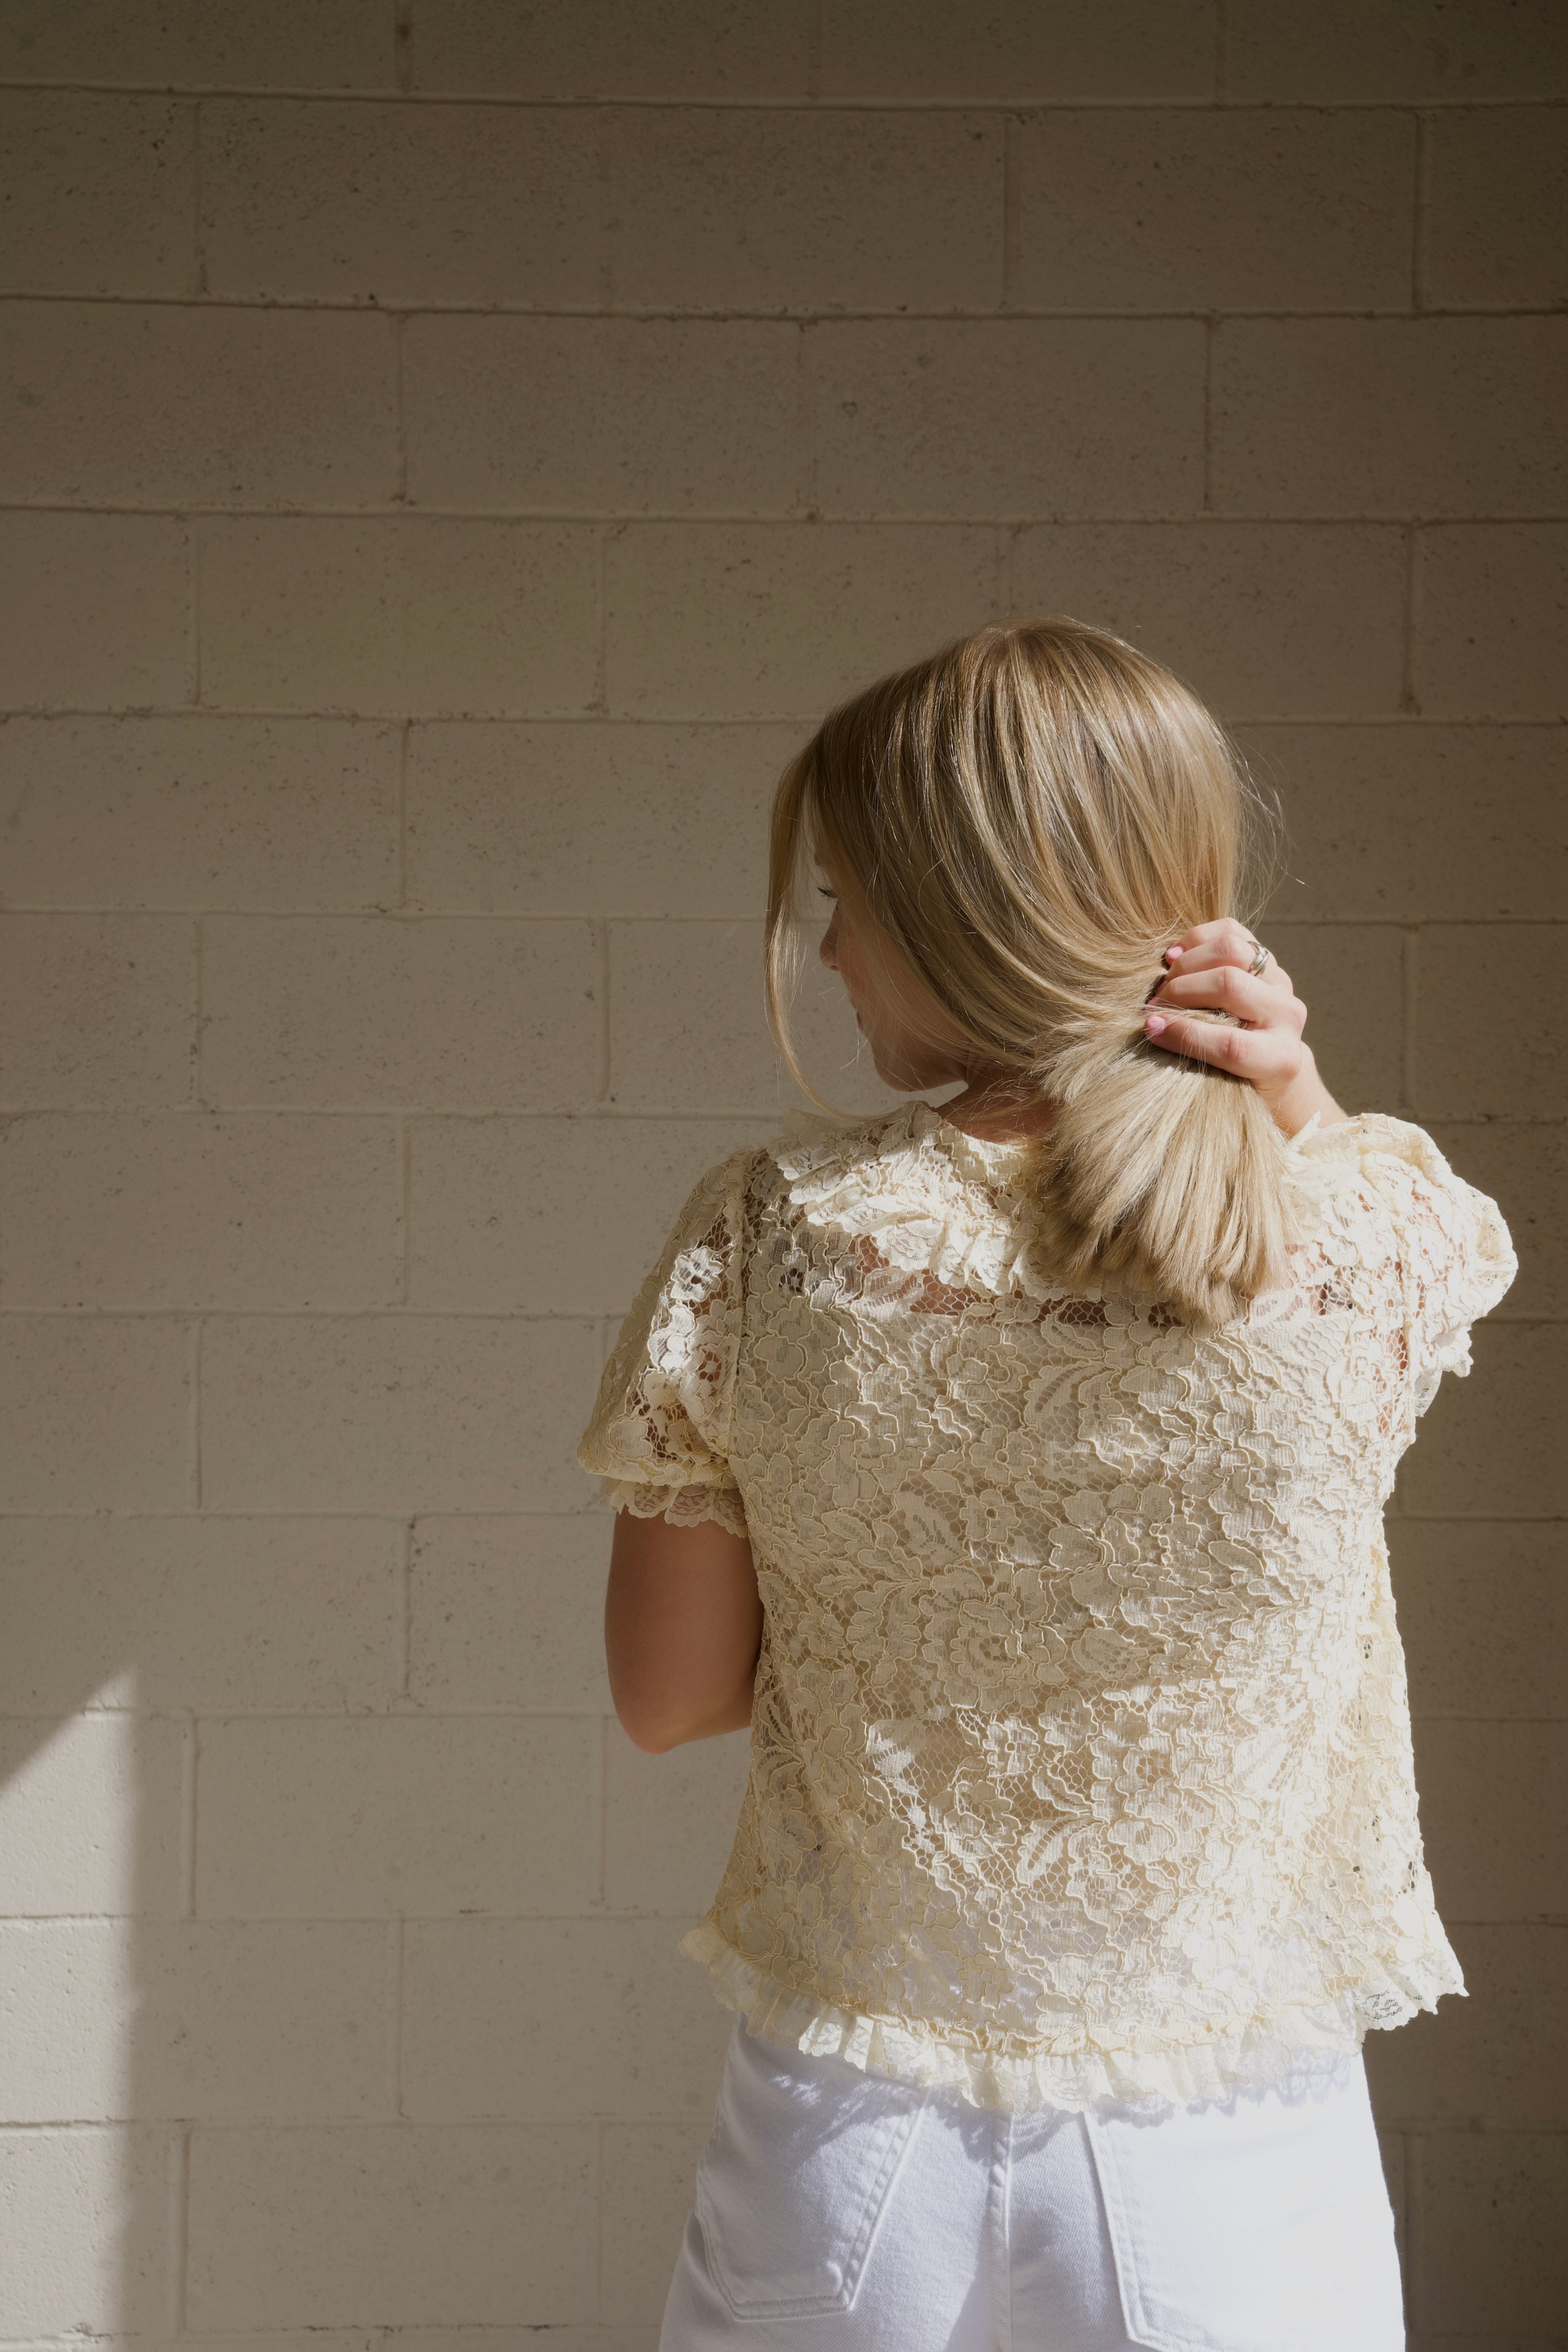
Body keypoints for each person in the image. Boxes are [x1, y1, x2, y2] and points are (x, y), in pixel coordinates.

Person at [576, 619, 1516, 2351]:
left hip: (856, 2133)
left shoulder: (773, 1238)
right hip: (1237, 2151)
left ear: (960, 917)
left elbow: (668, 1698)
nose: (832, 951)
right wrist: (1285, 1078)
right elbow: (1347, 1192)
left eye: (845, 897)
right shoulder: (1371, 1239)